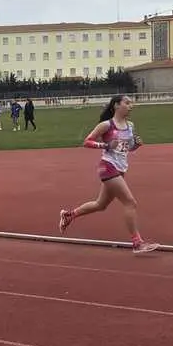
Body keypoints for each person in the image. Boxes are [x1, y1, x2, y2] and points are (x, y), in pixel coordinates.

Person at [57, 95, 159, 254]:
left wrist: (136, 146)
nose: (130, 106)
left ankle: (69, 215)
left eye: (131, 103)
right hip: (108, 167)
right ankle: (137, 243)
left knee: (100, 205)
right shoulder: (107, 125)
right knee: (130, 202)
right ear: (116, 105)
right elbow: (87, 142)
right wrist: (105, 145)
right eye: (127, 103)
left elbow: (126, 148)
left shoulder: (130, 126)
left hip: (120, 168)